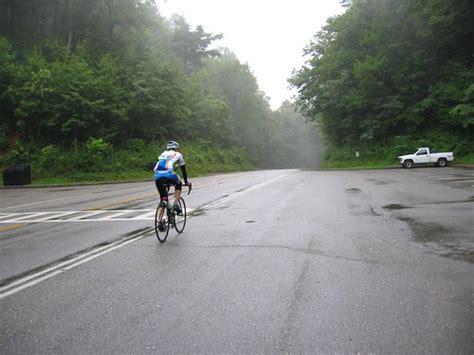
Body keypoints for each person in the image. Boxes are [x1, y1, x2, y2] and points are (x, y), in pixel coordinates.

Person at [154, 140, 189, 231]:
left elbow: (159, 167)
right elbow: (183, 170)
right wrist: (186, 182)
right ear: (176, 148)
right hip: (170, 175)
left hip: (158, 177)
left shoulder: (163, 154)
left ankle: (159, 221)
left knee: (163, 199)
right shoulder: (178, 154)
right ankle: (176, 204)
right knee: (179, 183)